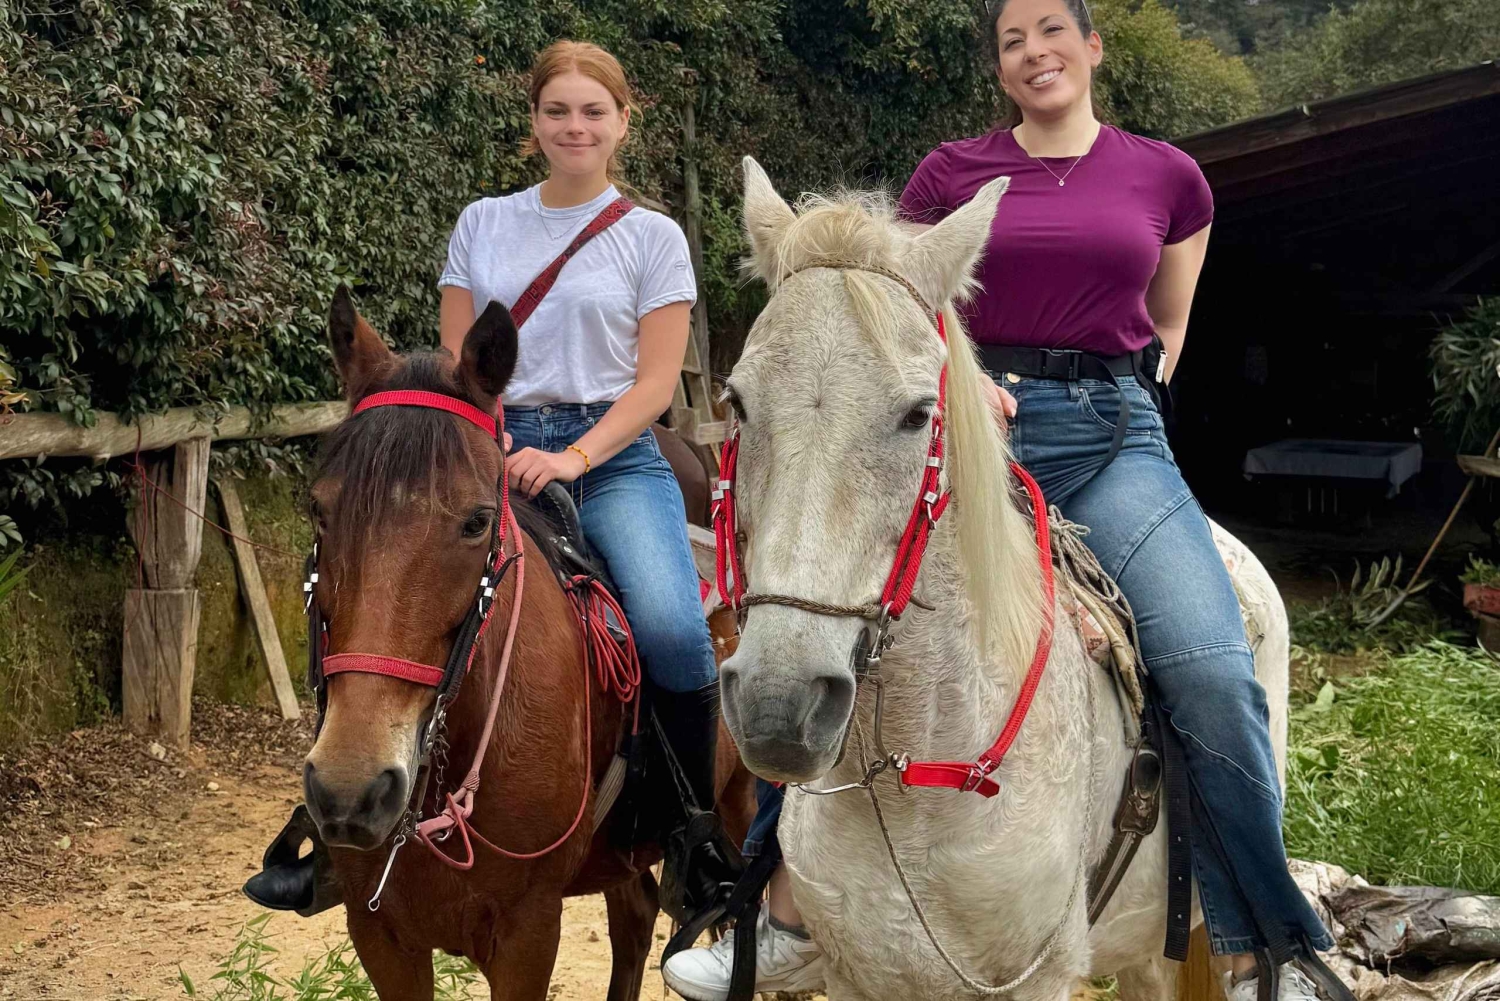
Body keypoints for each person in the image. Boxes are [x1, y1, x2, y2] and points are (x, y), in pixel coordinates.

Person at [663, 2, 1339, 999]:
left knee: (1207, 660)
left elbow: (1168, 324)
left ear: (1092, 45)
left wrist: (1122, 397)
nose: (1034, 52)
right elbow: (896, 307)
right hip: (964, 426)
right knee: (821, 614)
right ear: (999, 65)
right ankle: (785, 912)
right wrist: (957, 380)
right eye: (1013, 40)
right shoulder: (951, 173)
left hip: (1113, 441)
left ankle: (1264, 944)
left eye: (1051, 30)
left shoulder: (1169, 177)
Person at [244, 39, 727, 918]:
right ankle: (337, 825)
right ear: (533, 121)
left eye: (593, 111)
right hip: (486, 446)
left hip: (611, 457)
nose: (575, 126)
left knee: (671, 627)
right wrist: (481, 445)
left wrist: (573, 457)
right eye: (557, 110)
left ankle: (693, 838)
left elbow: (657, 384)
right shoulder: (484, 222)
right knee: (380, 591)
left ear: (623, 122)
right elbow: (460, 366)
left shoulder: (652, 237)